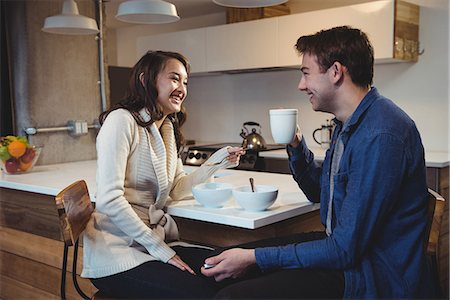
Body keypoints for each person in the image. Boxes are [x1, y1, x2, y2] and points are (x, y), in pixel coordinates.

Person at [201, 26, 436, 299]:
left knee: (232, 294)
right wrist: (296, 145)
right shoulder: (347, 125)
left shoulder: (380, 134)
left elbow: (345, 250)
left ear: (336, 72)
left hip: (373, 276)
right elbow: (319, 194)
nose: (301, 85)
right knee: (221, 263)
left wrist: (255, 258)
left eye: (305, 73)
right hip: (346, 254)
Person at [81, 50, 244, 299]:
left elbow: (176, 188)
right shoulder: (121, 121)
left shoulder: (166, 127)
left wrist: (216, 163)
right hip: (117, 255)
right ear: (146, 80)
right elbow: (109, 199)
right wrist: (162, 250)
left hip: (153, 245)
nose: (182, 88)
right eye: (174, 78)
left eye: (185, 82)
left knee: (226, 276)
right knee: (201, 293)